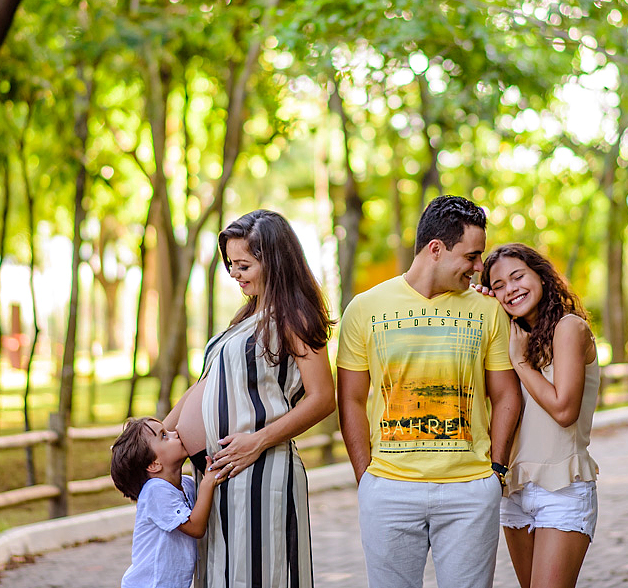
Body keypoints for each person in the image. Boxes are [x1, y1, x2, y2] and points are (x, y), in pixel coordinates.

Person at [336, 194, 522, 588]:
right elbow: (350, 399)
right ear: (436, 249)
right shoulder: (365, 308)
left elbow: (506, 395)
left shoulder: (487, 310)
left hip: (470, 490)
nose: (478, 268)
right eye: (472, 257)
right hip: (388, 489)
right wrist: (366, 478)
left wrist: (497, 471)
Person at [164, 209, 336, 588]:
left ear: (273, 260)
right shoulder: (245, 317)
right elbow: (204, 387)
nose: (234, 274)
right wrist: (156, 436)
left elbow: (323, 398)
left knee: (259, 576)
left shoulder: (294, 317)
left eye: (243, 264)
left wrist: (256, 442)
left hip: (260, 471)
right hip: (219, 476)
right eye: (230, 264)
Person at [481, 243, 599, 588]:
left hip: (561, 489)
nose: (510, 289)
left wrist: (520, 362)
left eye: (518, 277)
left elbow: (564, 410)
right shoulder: (511, 335)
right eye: (498, 285)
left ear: (542, 277)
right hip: (513, 489)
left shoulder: (569, 328)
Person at [110, 417, 220, 588]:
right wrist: (208, 483)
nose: (175, 433)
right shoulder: (155, 490)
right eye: (164, 436)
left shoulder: (187, 484)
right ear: (154, 464)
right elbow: (196, 528)